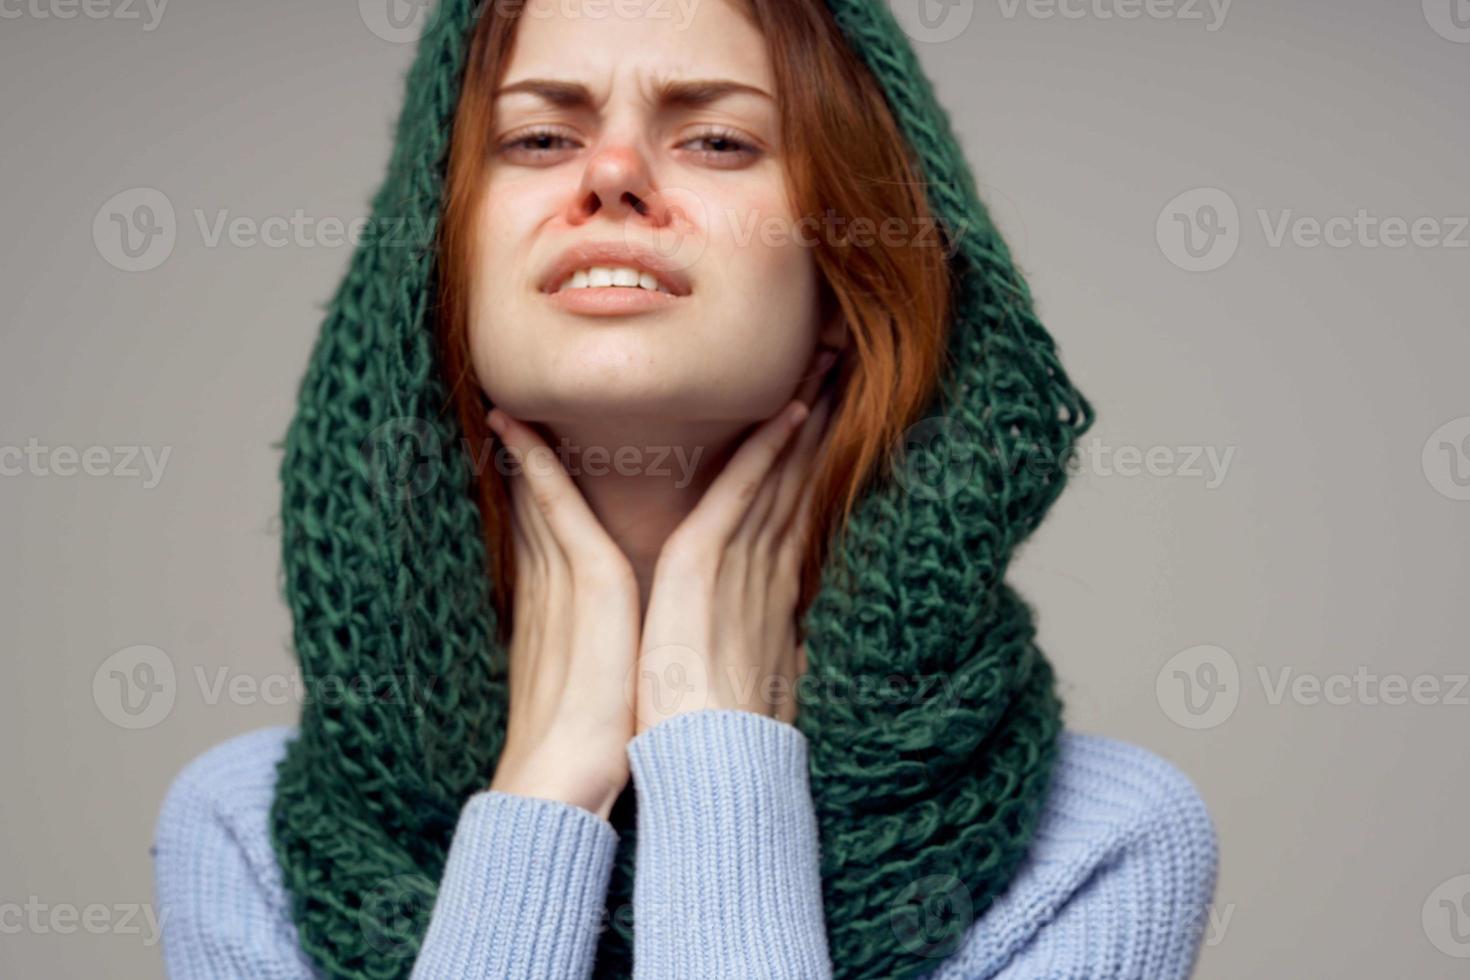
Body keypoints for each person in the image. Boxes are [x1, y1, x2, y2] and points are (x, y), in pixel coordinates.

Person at [152, 0, 1219, 977]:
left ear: (846, 264)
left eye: (717, 138)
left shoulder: (1100, 847)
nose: (612, 172)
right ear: (439, 263)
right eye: (538, 137)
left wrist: (722, 764)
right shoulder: (243, 834)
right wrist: (541, 798)